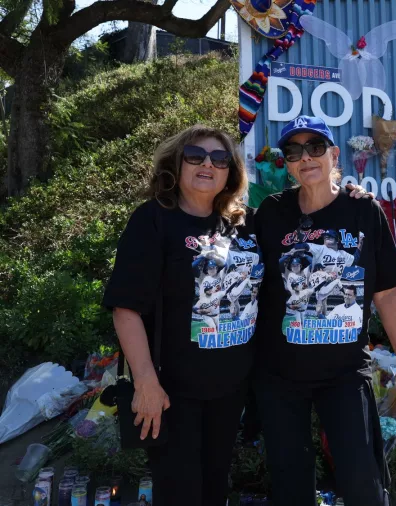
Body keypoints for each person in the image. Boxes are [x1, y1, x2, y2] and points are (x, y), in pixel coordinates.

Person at [253, 115, 396, 506]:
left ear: (333, 154)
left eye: (314, 148)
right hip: (280, 374)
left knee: (362, 480)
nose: (304, 158)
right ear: (287, 162)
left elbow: (385, 292)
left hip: (344, 372)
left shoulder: (363, 211)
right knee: (290, 484)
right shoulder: (270, 214)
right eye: (293, 151)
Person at [103, 125, 261, 506]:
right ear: (177, 162)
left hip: (230, 389)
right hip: (173, 393)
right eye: (196, 155)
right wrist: (145, 383)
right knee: (180, 493)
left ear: (230, 172)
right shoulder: (154, 220)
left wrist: (350, 196)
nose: (208, 163)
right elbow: (126, 309)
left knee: (215, 489)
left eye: (220, 158)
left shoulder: (246, 223)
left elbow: (307, 220)